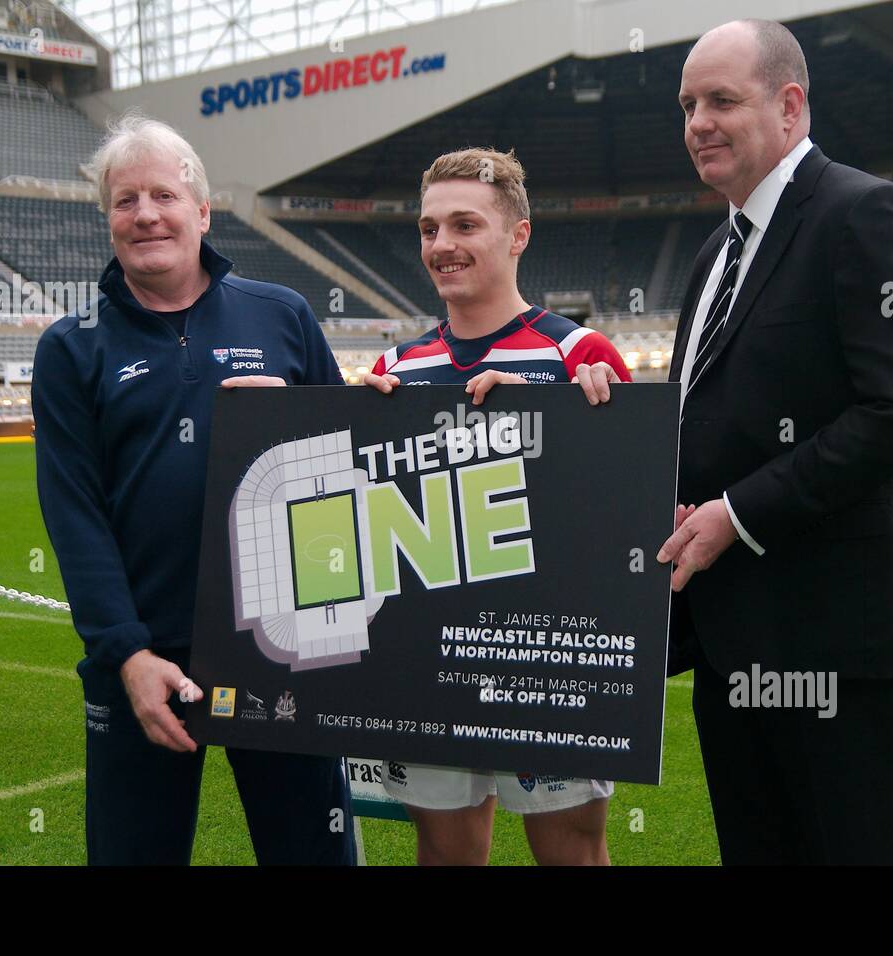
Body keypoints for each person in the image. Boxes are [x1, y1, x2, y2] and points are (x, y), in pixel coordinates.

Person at [655, 19, 893, 864]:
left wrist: (736, 514)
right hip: (729, 643)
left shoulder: (867, 212)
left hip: (841, 646)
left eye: (722, 100)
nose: (698, 123)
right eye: (687, 106)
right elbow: (703, 421)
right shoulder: (713, 252)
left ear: (790, 106)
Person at [32, 114, 354, 865]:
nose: (145, 214)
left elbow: (347, 472)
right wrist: (126, 655)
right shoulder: (71, 345)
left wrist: (300, 422)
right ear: (107, 218)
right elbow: (74, 512)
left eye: (164, 196)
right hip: (145, 662)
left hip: (283, 650)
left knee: (311, 851)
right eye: (124, 200)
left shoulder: (283, 315)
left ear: (202, 212)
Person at [365, 147, 631, 865]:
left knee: (573, 853)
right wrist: (357, 436)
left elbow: (632, 517)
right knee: (446, 854)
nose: (442, 246)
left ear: (518, 235)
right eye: (428, 229)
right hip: (429, 662)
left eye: (464, 225)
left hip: (544, 658)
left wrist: (562, 424)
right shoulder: (394, 371)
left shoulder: (580, 355)